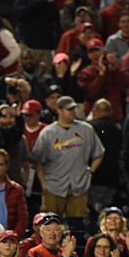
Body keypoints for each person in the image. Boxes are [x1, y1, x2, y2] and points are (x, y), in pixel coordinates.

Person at [32, 96, 105, 234]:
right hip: (54, 185)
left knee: (77, 228)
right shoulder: (47, 133)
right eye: (69, 109)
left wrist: (90, 172)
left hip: (79, 185)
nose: (73, 112)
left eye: (73, 109)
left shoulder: (86, 129)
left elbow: (99, 153)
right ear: (59, 110)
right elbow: (38, 161)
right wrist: (44, 184)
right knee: (49, 226)